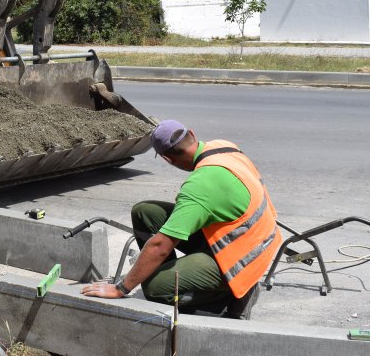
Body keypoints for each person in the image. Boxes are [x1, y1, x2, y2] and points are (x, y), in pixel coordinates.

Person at [81, 120, 281, 319]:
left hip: (245, 258)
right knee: (145, 212)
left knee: (154, 288)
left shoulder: (199, 187)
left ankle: (230, 299)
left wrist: (121, 288)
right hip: (257, 235)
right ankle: (173, 275)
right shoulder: (224, 146)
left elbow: (160, 246)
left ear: (167, 159)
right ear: (192, 134)